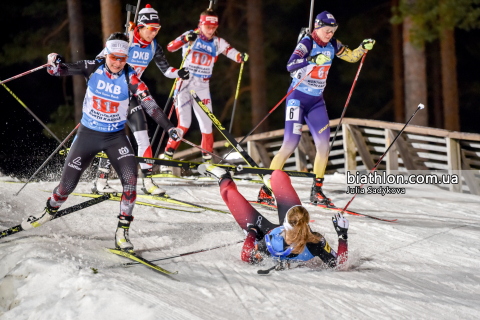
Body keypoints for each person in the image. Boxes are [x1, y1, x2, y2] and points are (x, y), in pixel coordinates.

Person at [20, 33, 184, 252]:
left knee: (130, 183)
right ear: (107, 53)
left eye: (122, 59)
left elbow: (151, 106)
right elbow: (59, 71)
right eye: (114, 57)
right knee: (66, 187)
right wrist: (54, 61)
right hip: (88, 135)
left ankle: (122, 231)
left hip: (116, 137)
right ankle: (49, 211)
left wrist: (169, 127)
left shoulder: (131, 77)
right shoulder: (92, 66)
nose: (117, 63)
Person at [257, 11, 375, 208]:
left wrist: (362, 48)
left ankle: (317, 190)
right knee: (290, 143)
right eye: (327, 31)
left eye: (333, 31)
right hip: (297, 99)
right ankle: (266, 190)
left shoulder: (333, 44)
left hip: (316, 102)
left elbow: (352, 57)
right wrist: (312, 60)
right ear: (317, 28)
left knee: (323, 146)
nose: (330, 34)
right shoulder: (307, 43)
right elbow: (290, 65)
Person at [93, 4, 190, 196]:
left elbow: (166, 69)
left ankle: (148, 182)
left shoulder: (154, 47)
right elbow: (98, 60)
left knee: (143, 136)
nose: (154, 33)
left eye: (157, 29)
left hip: (131, 96)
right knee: (111, 136)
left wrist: (178, 72)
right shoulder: (125, 40)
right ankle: (100, 181)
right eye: (151, 29)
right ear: (140, 26)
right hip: (112, 96)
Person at [198, 164, 349, 268]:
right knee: (277, 176)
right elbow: (339, 264)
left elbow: (246, 257)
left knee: (230, 192)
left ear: (286, 222)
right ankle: (273, 187)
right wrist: (342, 235)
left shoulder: (271, 243)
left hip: (263, 232)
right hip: (280, 231)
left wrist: (253, 232)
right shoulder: (315, 241)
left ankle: (224, 176)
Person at [158, 8, 248, 172]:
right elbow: (170, 47)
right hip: (184, 84)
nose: (211, 30)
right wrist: (185, 38)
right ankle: (167, 157)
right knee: (184, 123)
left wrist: (240, 57)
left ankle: (207, 163)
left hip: (202, 87)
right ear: (201, 24)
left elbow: (230, 51)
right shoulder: (191, 35)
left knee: (207, 125)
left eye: (214, 27)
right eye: (208, 27)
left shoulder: (217, 42)